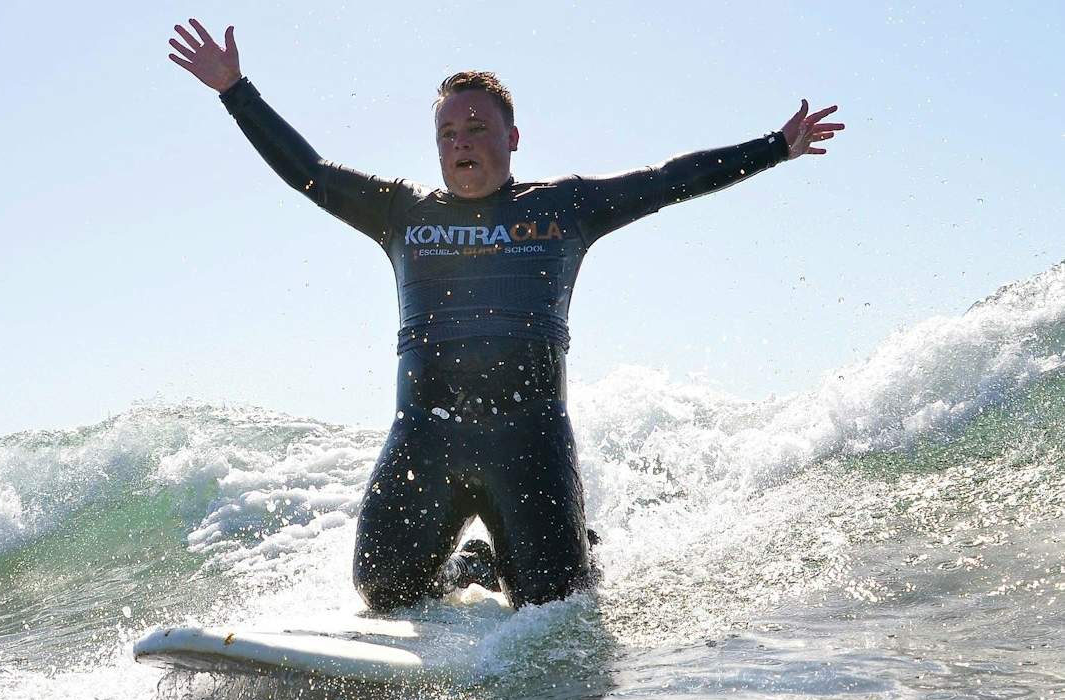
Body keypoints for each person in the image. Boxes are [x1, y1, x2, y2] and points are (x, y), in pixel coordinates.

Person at [167, 20, 843, 611]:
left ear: (512, 137)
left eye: (476, 128)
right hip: (426, 440)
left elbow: (668, 180)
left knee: (554, 606)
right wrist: (235, 90)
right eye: (448, 132)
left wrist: (774, 147)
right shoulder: (402, 212)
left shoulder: (564, 208)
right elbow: (308, 171)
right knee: (381, 590)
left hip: (530, 442)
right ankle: (471, 568)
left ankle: (567, 547)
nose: (461, 142)